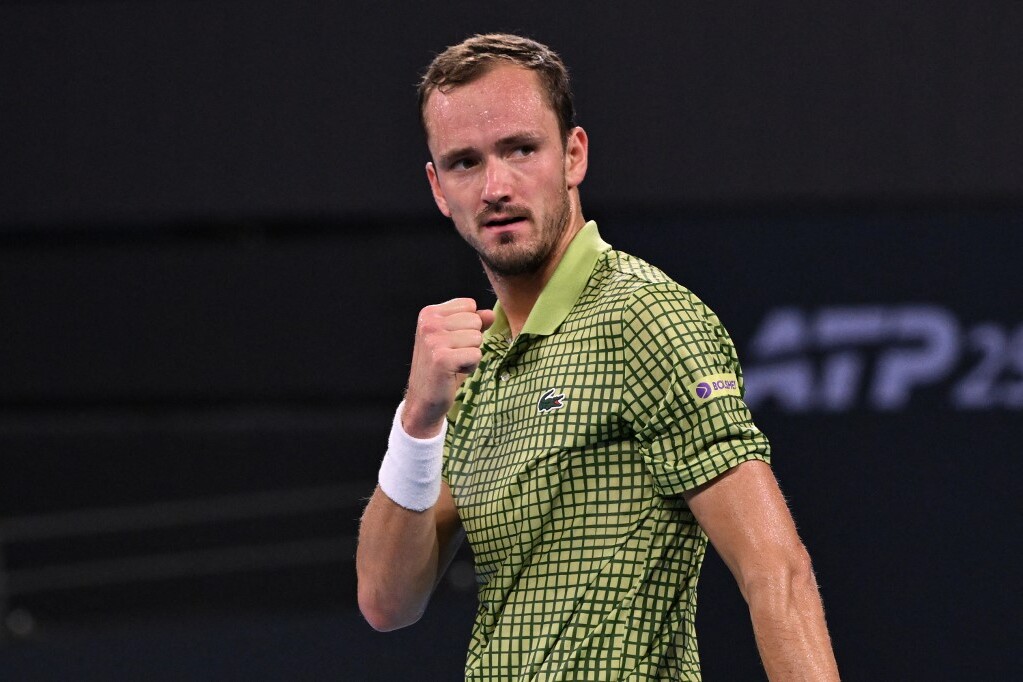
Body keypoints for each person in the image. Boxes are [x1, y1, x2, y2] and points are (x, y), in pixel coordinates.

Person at [357, 33, 840, 681]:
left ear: (573, 156)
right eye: (464, 163)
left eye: (520, 149)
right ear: (438, 188)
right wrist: (418, 419)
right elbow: (387, 601)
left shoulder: (644, 316)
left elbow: (776, 571)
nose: (495, 186)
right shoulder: (474, 368)